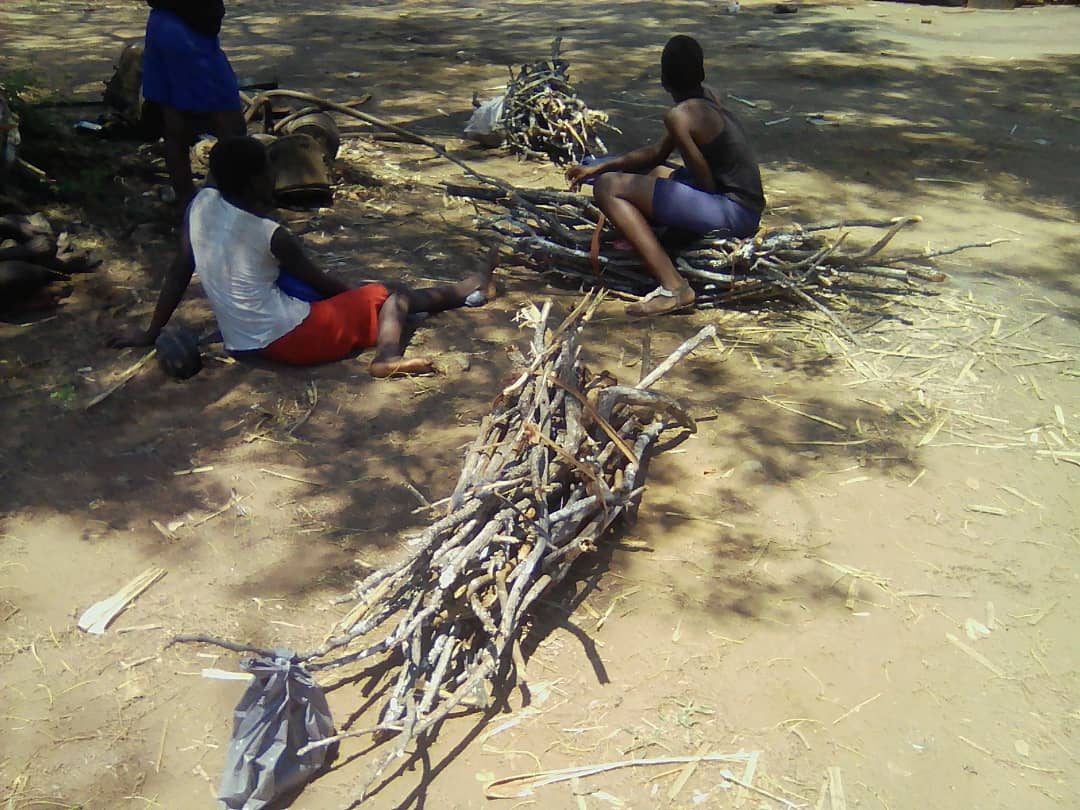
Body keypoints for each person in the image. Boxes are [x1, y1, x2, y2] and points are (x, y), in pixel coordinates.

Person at [110, 137, 498, 378]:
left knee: (305, 289)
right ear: (255, 181)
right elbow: (323, 285)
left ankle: (454, 292)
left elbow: (180, 271)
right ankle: (401, 343)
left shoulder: (200, 204)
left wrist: (150, 332)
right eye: (267, 171)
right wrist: (363, 299)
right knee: (392, 294)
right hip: (291, 341)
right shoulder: (271, 234)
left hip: (242, 343)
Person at [565, 35, 766, 316]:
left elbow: (705, 183)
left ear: (664, 79)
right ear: (701, 73)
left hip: (733, 212)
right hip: (746, 206)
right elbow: (656, 155)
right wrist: (599, 167)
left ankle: (675, 287)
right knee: (649, 172)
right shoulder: (707, 99)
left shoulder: (679, 116)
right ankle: (662, 241)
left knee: (608, 188)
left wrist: (605, 176)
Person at [142, 1, 247, 205]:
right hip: (187, 36)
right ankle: (215, 200)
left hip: (163, 25)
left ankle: (188, 204)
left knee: (174, 129)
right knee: (232, 128)